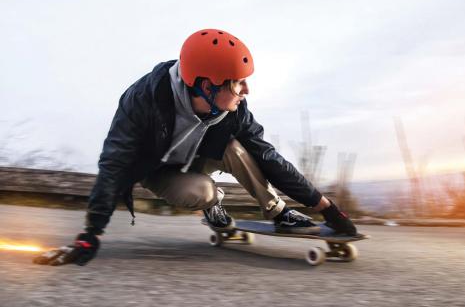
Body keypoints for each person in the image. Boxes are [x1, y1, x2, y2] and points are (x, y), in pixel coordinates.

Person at [33, 29, 357, 266]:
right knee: (202, 192)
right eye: (237, 82)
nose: (247, 89)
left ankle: (280, 213)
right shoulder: (142, 101)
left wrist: (326, 207)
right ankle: (213, 206)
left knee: (237, 146)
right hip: (159, 171)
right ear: (206, 85)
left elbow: (267, 157)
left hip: (199, 154)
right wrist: (91, 233)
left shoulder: (234, 109)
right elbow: (114, 164)